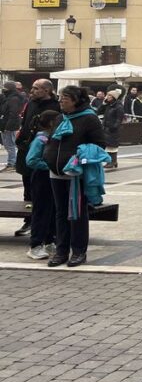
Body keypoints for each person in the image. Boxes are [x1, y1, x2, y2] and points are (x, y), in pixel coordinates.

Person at [42, 85, 105, 267]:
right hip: (56, 173)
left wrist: (79, 156)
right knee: (60, 213)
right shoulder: (60, 117)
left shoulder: (89, 118)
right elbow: (52, 140)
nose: (61, 101)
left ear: (76, 100)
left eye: (65, 98)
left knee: (77, 213)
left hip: (75, 175)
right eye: (61, 97)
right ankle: (61, 251)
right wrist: (47, 154)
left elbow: (99, 144)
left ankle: (78, 252)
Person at [14, 79, 60, 238]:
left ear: (47, 90)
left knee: (43, 192)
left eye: (36, 88)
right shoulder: (31, 103)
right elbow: (25, 123)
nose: (32, 91)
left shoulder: (56, 106)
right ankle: (29, 220)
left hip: (43, 153)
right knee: (27, 188)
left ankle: (47, 226)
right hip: (26, 150)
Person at [24, 109, 60, 260]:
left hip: (53, 178)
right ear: (51, 123)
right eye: (59, 121)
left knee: (53, 211)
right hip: (42, 179)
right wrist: (50, 166)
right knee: (41, 212)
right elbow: (31, 160)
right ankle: (35, 245)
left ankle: (50, 241)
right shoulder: (40, 139)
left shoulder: (53, 137)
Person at [0, 81, 26, 171]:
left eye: (5, 88)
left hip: (10, 125)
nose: (3, 90)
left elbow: (13, 113)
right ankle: (12, 162)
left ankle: (12, 163)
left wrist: (8, 126)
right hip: (7, 124)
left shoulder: (13, 99)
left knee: (10, 145)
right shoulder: (9, 97)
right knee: (8, 144)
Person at [100, 89, 125, 169]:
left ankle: (112, 161)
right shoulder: (108, 105)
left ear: (114, 97)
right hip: (106, 128)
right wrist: (103, 104)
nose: (107, 97)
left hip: (112, 129)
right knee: (108, 146)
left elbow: (119, 118)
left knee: (112, 146)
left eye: (109, 95)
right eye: (107, 95)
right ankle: (111, 161)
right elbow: (99, 111)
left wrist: (114, 127)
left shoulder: (118, 106)